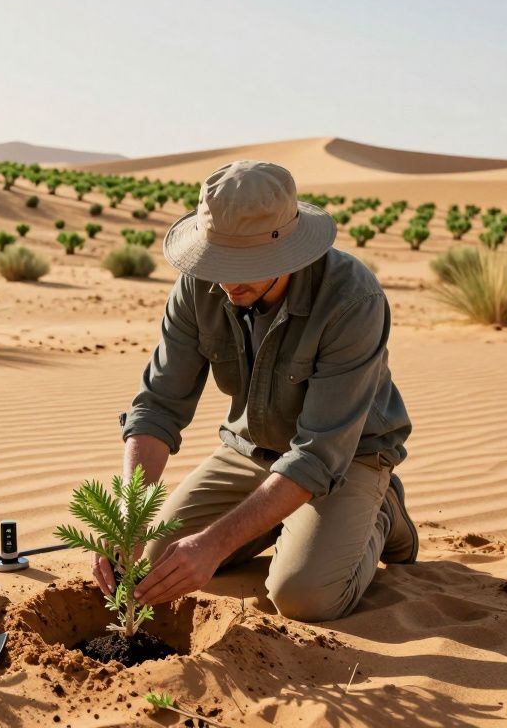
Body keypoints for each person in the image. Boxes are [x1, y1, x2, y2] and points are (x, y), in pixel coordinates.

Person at [100, 160, 417, 623]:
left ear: (290, 250)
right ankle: (286, 524)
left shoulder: (352, 299)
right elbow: (158, 407)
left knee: (302, 596)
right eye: (218, 260)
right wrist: (126, 516)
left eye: (246, 264)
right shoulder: (197, 286)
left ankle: (379, 508)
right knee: (156, 562)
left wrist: (214, 543)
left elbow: (318, 456)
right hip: (252, 451)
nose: (227, 280)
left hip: (345, 459)